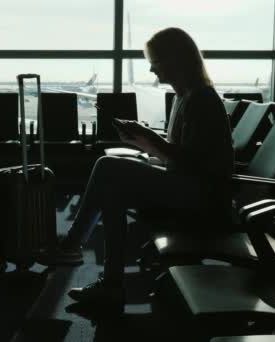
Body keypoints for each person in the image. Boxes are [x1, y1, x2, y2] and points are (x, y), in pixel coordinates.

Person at [45, 27, 234, 309]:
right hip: (190, 188)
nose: (151, 69)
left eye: (155, 61)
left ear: (175, 60)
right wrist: (144, 142)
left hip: (201, 197)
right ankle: (110, 284)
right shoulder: (187, 97)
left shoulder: (201, 100)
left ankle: (73, 246)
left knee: (107, 166)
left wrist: (149, 139)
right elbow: (180, 159)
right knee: (113, 190)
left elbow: (190, 163)